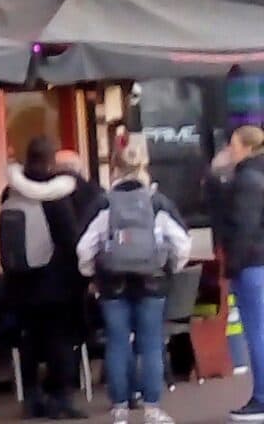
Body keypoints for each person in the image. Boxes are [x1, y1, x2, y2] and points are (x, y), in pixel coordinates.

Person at [76, 130, 190, 424]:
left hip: (112, 284)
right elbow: (182, 244)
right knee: (151, 342)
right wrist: (170, 268)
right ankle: (152, 408)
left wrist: (92, 273)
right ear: (145, 163)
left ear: (113, 165)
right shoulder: (157, 202)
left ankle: (120, 409)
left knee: (117, 343)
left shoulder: (105, 203)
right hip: (152, 282)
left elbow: (84, 248)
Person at [0, 136, 86, 420]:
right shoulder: (55, 195)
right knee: (59, 342)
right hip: (54, 284)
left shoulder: (8, 192)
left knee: (29, 343)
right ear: (51, 161)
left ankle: (32, 398)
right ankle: (59, 400)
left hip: (19, 283)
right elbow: (70, 240)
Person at [222, 126, 264, 422]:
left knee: (257, 333)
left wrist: (232, 265)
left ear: (248, 147)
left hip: (251, 263)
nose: (230, 149)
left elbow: (244, 227)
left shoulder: (247, 179)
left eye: (234, 145)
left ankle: (261, 397)